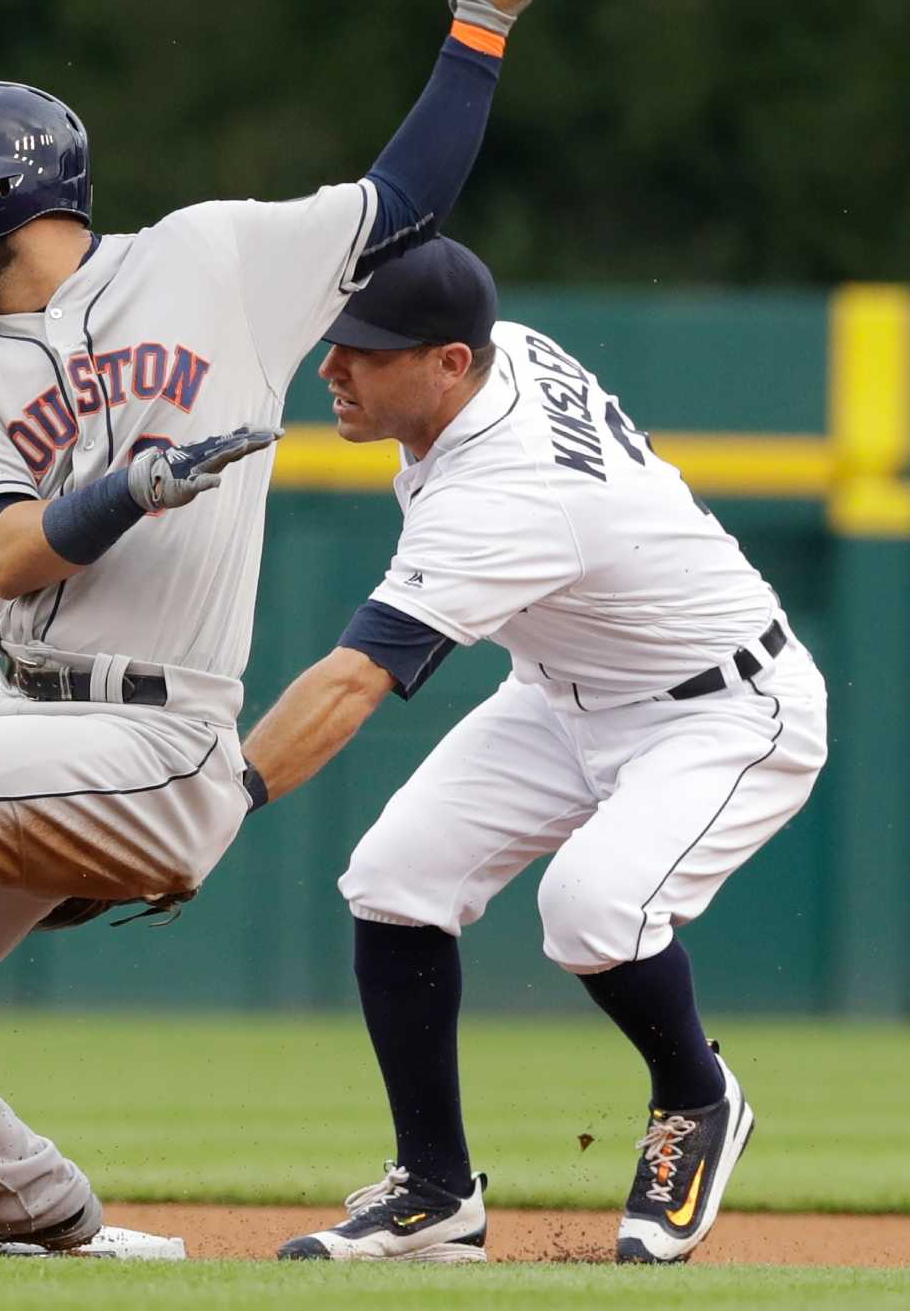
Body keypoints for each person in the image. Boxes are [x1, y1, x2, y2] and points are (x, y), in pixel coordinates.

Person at [0, 0, 574, 1250]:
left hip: (166, 740)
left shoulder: (215, 259)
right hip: (22, 728)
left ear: (3, 189)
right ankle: (34, 1207)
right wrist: (128, 489)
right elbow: (12, 557)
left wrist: (476, 30)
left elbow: (403, 198)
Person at [243, 238, 828, 1265]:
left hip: (723, 708)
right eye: (333, 340)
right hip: (563, 695)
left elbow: (351, 681)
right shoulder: (491, 348)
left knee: (591, 907)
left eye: (364, 349)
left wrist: (215, 802)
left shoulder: (508, 492)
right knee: (392, 879)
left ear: (448, 364)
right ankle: (432, 1193)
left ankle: (696, 1096)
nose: (331, 367)